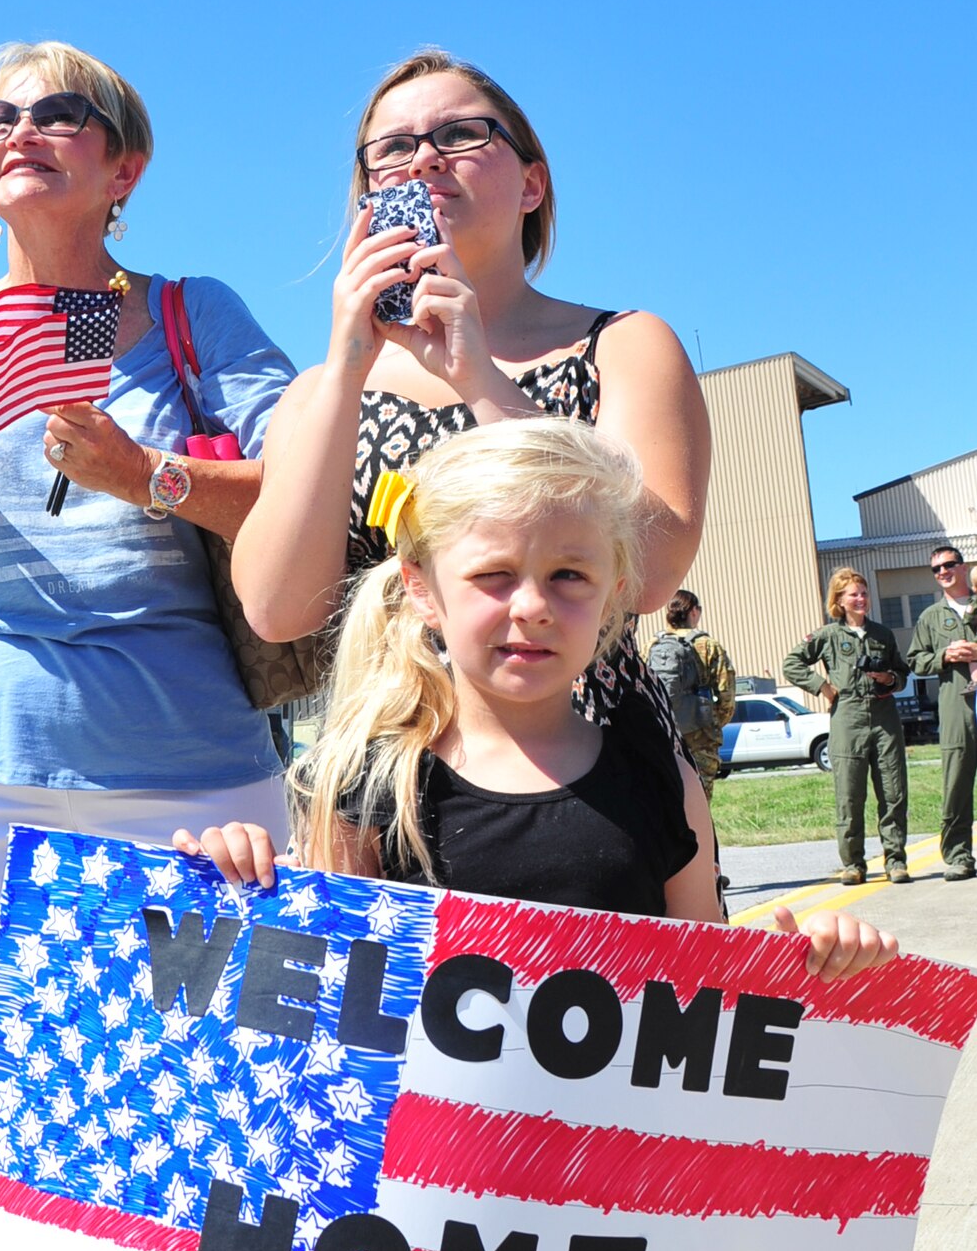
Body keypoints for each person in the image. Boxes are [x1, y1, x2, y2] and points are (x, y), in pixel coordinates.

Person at [0, 39, 292, 1150]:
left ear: (123, 168)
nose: (17, 130)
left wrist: (146, 477)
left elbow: (306, 497)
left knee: (215, 1111)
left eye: (56, 113)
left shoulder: (194, 313)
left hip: (195, 784)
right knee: (12, 1124)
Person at [184, 418, 895, 990]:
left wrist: (820, 969)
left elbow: (706, 990)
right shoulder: (371, 782)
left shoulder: (659, 776)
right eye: (493, 575)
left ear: (615, 590)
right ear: (424, 588)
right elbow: (316, 991)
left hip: (621, 1163)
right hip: (430, 1165)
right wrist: (231, 890)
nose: (532, 607)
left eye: (568, 575)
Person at [230, 48, 710, 760]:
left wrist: (478, 378)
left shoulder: (625, 345)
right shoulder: (320, 390)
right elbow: (278, 609)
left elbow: (650, 570)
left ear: (531, 184)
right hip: (393, 776)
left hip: (593, 769)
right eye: (392, 148)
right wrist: (346, 369)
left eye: (460, 135)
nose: (424, 160)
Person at [783, 570, 911, 887]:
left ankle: (895, 860)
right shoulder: (827, 635)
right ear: (839, 599)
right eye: (854, 594)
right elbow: (792, 663)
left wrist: (889, 679)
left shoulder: (883, 634)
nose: (861, 599)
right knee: (849, 796)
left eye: (864, 593)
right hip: (847, 716)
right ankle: (853, 863)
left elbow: (902, 672)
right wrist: (822, 687)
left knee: (893, 792)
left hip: (884, 716)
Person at [907, 545, 976, 882]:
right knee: (956, 782)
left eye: (949, 565)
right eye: (936, 569)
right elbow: (915, 660)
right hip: (955, 706)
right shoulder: (930, 617)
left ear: (963, 568)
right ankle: (959, 855)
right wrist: (944, 657)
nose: (943, 572)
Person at [648, 589, 736, 798]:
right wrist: (714, 721)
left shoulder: (651, 645)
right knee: (701, 799)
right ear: (694, 611)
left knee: (667, 797)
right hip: (701, 734)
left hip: (662, 734)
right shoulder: (708, 645)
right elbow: (726, 693)